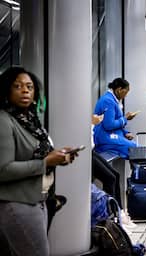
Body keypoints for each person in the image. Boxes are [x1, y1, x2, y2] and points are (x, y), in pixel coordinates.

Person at [0, 66, 79, 256]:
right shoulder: (4, 120)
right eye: (17, 86)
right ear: (6, 91)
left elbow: (39, 155)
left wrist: (59, 157)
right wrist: (46, 162)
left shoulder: (30, 121)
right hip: (17, 202)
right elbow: (3, 170)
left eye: (29, 86)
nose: (25, 90)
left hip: (39, 200)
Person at [93, 77, 137, 159]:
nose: (126, 95)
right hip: (105, 139)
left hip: (111, 137)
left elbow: (116, 120)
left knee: (135, 149)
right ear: (119, 89)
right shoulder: (108, 101)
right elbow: (109, 125)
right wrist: (125, 118)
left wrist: (125, 132)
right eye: (126, 92)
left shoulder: (112, 100)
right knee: (135, 149)